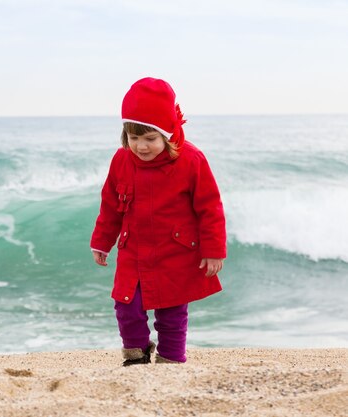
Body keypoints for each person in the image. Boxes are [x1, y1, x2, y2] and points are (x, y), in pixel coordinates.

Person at [90, 77, 226, 365]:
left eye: (150, 139)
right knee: (126, 306)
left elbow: (209, 208)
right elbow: (111, 206)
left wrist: (213, 250)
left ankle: (171, 360)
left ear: (168, 133)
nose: (141, 146)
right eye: (134, 137)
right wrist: (102, 242)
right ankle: (136, 355)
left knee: (172, 312)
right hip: (133, 251)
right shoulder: (121, 160)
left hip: (175, 251)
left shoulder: (192, 160)